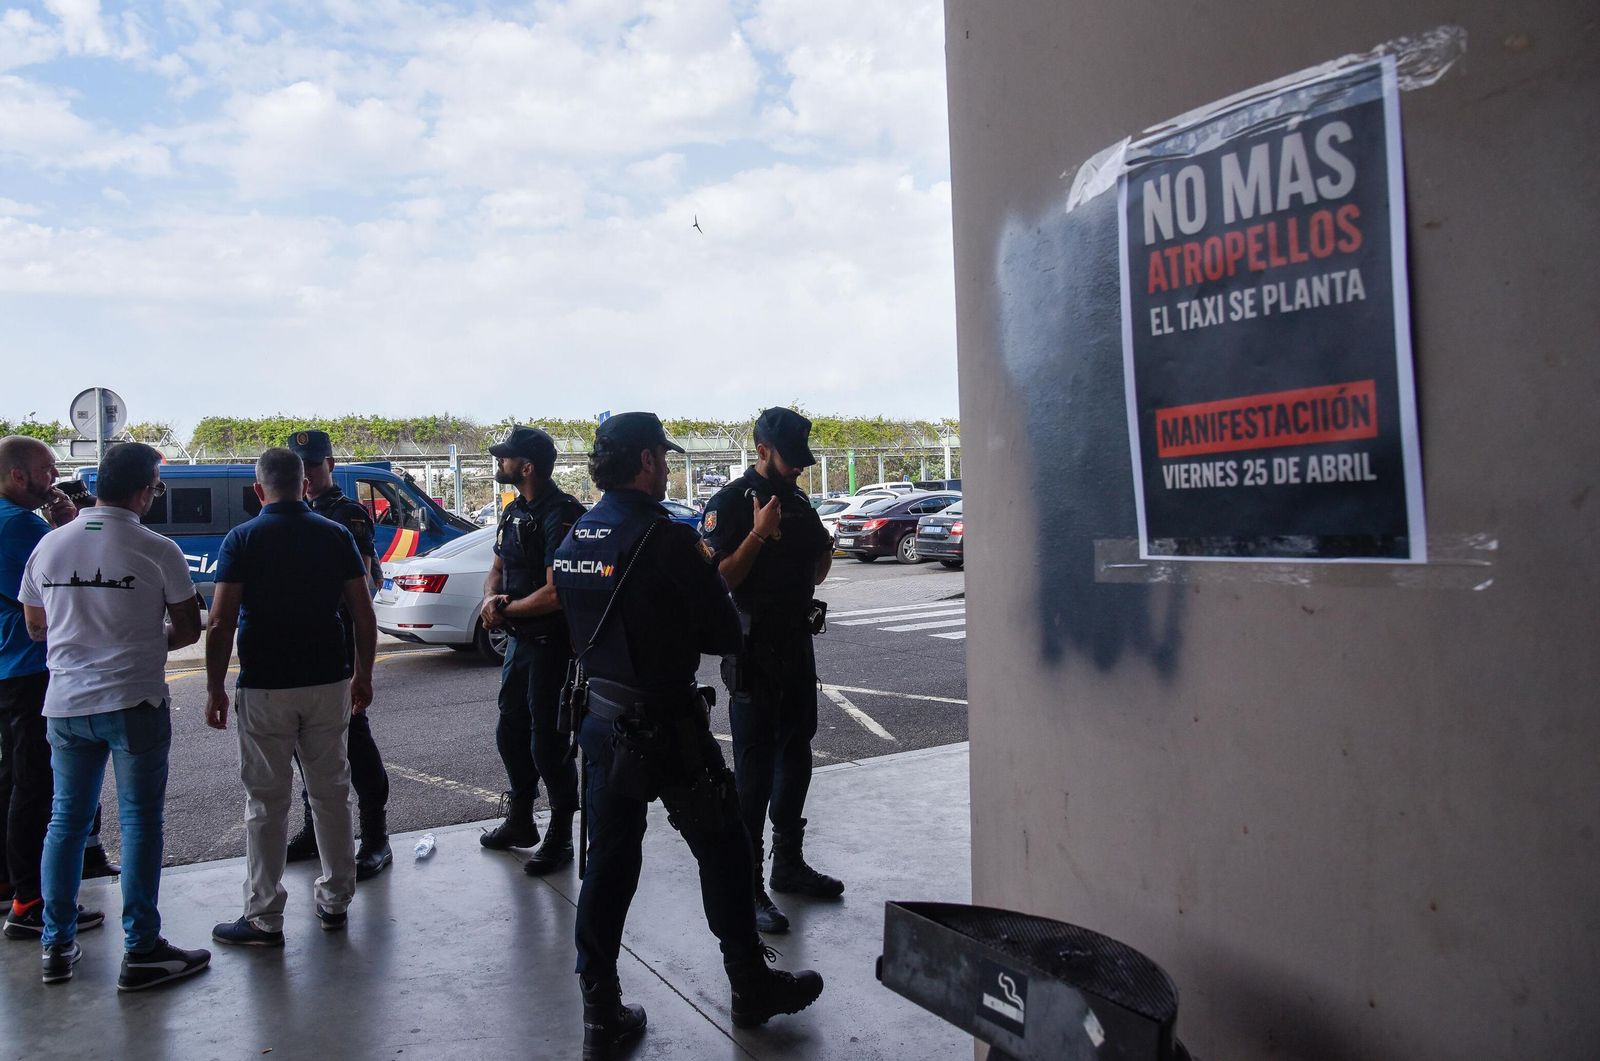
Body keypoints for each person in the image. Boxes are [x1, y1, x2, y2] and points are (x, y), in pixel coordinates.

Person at [553, 412, 823, 1058]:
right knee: (725, 849)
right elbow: (724, 633)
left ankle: (599, 1007)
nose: (669, 468)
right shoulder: (664, 539)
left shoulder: (575, 538)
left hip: (601, 722)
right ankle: (750, 985)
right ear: (645, 461)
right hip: (667, 728)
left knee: (608, 865)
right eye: (663, 458)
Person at [19, 442, 211, 988]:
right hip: (135, 703)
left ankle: (56, 946)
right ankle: (142, 948)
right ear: (145, 489)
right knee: (140, 822)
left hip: (65, 706)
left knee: (65, 822)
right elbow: (190, 629)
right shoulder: (158, 549)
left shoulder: (50, 547)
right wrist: (142, 641)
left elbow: (37, 627)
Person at [203, 448, 376, 946]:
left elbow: (219, 620)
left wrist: (214, 685)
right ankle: (336, 900)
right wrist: (363, 675)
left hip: (265, 685)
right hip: (328, 680)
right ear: (304, 484)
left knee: (266, 800)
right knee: (331, 793)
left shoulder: (242, 538)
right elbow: (363, 614)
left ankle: (264, 915)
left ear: (259, 490)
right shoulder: (336, 533)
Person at [701, 408, 841, 935]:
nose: (797, 470)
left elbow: (819, 568)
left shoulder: (800, 502)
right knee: (754, 770)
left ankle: (788, 863)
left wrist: (821, 554)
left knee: (797, 751)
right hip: (752, 649)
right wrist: (759, 536)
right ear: (762, 450)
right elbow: (719, 581)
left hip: (796, 646)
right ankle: (750, 882)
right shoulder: (731, 504)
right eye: (789, 460)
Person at [279, 430, 393, 880]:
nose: (306, 474)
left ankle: (376, 837)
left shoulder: (346, 513)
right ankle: (312, 830)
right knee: (304, 746)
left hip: (338, 642)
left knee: (354, 740)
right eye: (299, 466)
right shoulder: (289, 511)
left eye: (312, 465)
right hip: (301, 647)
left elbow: (364, 584)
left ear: (329, 463)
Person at [477, 426, 585, 875]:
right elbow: (498, 567)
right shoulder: (513, 510)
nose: (499, 463)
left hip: (552, 648)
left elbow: (556, 593)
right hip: (520, 645)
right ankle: (521, 818)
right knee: (510, 733)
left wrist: (508, 609)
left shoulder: (560, 513)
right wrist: (490, 599)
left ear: (528, 466)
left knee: (550, 743)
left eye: (506, 458)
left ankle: (561, 833)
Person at [0, 436, 92, 939]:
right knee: (37, 785)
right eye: (47, 470)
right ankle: (31, 901)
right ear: (19, 475)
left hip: (9, 664)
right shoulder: (20, 527)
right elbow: (66, 582)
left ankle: (12, 881)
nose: (54, 478)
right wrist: (66, 525)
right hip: (30, 665)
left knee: (14, 778)